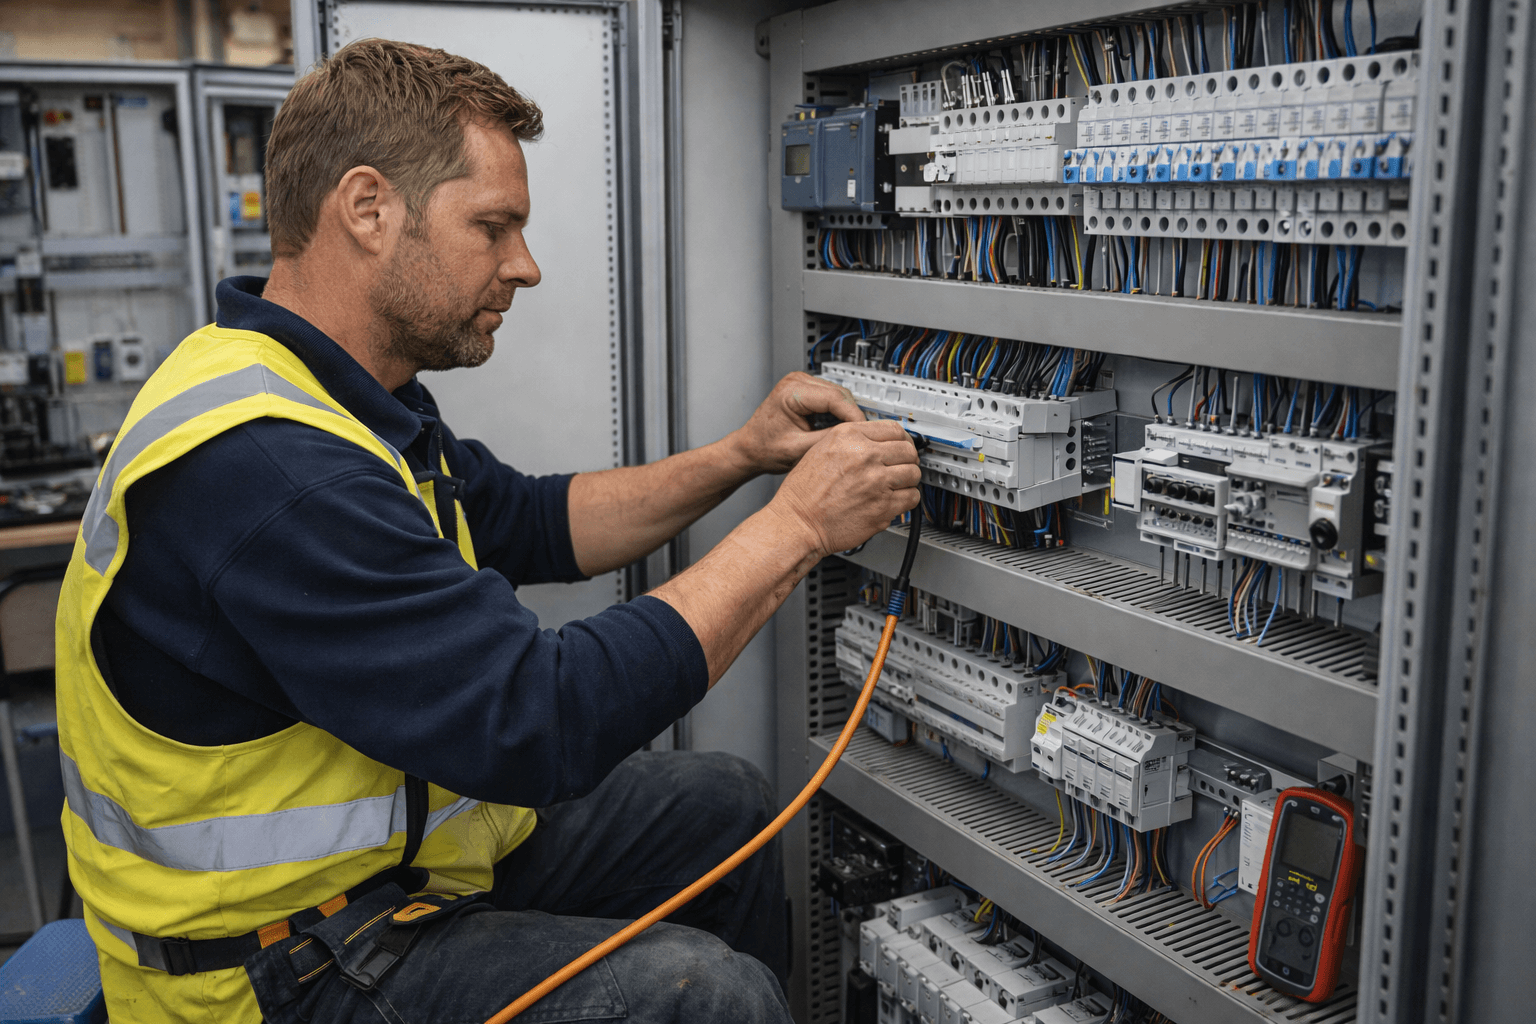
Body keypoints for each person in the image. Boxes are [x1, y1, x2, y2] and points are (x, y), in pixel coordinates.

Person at [53, 37, 920, 1024]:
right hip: (272, 968)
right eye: (493, 227)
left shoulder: (330, 392)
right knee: (703, 996)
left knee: (720, 804)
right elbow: (537, 719)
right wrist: (798, 528)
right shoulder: (271, 469)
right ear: (368, 209)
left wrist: (742, 456)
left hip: (390, 873)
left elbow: (529, 520)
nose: (526, 265)